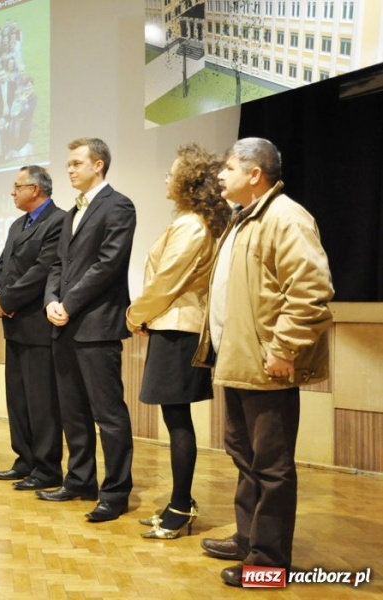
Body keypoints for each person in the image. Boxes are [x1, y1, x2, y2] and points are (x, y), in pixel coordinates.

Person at [193, 138, 333, 587]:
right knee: (244, 456)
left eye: (229, 167)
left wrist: (284, 348)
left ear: (255, 174)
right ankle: (248, 538)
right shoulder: (244, 218)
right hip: (239, 362)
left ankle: (268, 565)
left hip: (267, 365)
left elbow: (311, 292)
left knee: (271, 467)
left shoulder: (286, 217)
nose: (220, 175)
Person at [126, 143, 231, 539]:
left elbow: (165, 281)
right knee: (176, 418)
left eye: (171, 173)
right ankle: (179, 504)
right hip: (173, 326)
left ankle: (180, 507)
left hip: (178, 329)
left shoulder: (191, 225)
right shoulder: (191, 220)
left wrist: (136, 314)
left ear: (187, 182)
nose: (166, 179)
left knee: (177, 420)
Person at [41, 137, 136, 524]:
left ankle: (116, 492)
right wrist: (51, 299)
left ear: (99, 166)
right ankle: (80, 479)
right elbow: (57, 266)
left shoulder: (119, 206)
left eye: (77, 162)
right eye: (68, 163)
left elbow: (108, 265)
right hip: (63, 324)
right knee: (73, 411)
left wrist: (69, 303)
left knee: (108, 414)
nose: (69, 169)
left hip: (97, 326)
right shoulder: (69, 214)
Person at [0, 165, 64, 490]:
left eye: (17, 186)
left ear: (35, 189)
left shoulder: (59, 221)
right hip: (14, 323)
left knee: (41, 402)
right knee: (18, 398)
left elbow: (42, 270)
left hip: (36, 324)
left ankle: (47, 468)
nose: (11, 192)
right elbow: (2, 264)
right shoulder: (18, 224)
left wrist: (7, 298)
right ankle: (25, 459)